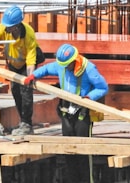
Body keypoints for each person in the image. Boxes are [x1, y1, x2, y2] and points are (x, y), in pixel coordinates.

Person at [23, 43, 108, 183]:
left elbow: (102, 87)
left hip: (82, 112)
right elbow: (45, 69)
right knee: (68, 151)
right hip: (66, 111)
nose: (65, 67)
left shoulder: (89, 69)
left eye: (67, 65)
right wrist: (33, 76)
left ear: (74, 60)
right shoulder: (60, 65)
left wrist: (89, 98)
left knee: (83, 152)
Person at [0, 5, 44, 136]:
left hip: (25, 65)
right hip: (13, 64)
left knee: (26, 92)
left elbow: (31, 58)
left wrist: (30, 77)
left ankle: (26, 124)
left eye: (10, 26)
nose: (7, 28)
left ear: (17, 25)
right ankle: (21, 121)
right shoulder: (2, 28)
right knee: (15, 91)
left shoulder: (28, 34)